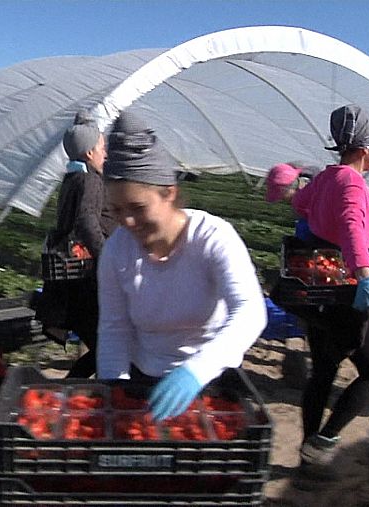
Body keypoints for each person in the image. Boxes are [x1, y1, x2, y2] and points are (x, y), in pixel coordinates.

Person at [95, 111, 266, 421]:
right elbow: (114, 329)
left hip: (213, 381)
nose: (127, 222)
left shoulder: (213, 237)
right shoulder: (116, 251)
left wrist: (196, 371)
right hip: (143, 382)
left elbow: (250, 312)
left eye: (137, 208)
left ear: (169, 193)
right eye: (117, 210)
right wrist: (114, 392)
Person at [281, 104, 369, 474]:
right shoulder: (351, 181)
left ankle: (306, 457)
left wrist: (304, 194)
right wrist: (363, 273)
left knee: (323, 372)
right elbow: (349, 227)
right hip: (346, 291)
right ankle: (324, 441)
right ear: (366, 147)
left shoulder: (326, 178)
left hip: (318, 289)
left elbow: (299, 204)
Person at [36, 110, 116, 378]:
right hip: (86, 278)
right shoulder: (90, 179)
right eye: (103, 148)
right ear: (90, 153)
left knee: (101, 346)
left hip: (72, 277)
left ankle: (67, 394)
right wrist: (108, 258)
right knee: (106, 347)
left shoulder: (72, 178)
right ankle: (65, 397)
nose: (106, 154)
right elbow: (86, 223)